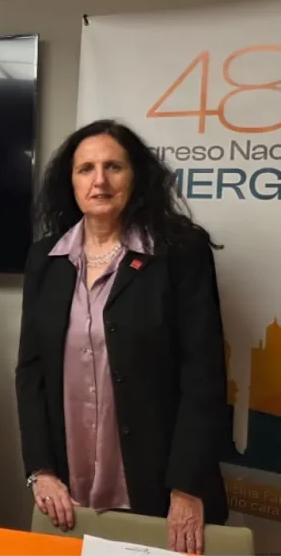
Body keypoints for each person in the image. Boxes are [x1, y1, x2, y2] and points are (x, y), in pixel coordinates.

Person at [15, 119, 231, 554]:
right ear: (70, 181)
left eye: (113, 167)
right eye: (85, 169)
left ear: (137, 177)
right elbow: (31, 370)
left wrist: (187, 486)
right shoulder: (46, 257)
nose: (99, 180)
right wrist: (41, 469)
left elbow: (203, 375)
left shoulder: (180, 252)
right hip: (69, 489)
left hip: (161, 489)